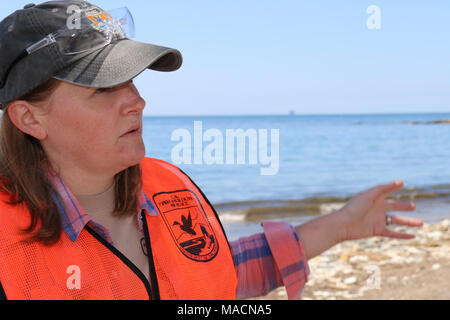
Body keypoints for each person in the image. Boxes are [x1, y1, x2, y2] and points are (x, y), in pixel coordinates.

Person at [0, 1, 423, 300]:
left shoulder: (168, 186)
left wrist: (340, 226)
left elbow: (210, 275)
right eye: (104, 89)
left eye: (133, 81)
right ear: (29, 118)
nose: (137, 102)